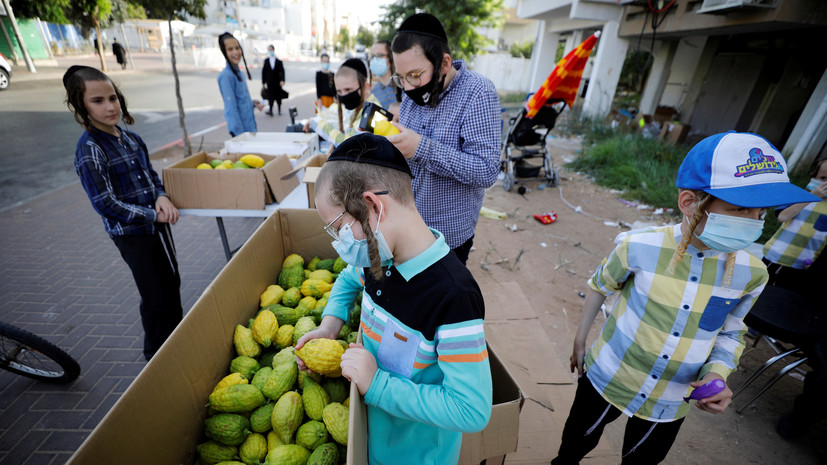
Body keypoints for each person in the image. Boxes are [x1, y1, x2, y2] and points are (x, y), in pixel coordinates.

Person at [551, 131, 820, 465]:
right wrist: (580, 340)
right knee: (572, 447)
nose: (753, 223)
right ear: (690, 203)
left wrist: (717, 375)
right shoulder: (639, 245)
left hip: (670, 399)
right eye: (739, 210)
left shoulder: (752, 273)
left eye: (760, 213)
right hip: (609, 374)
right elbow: (599, 285)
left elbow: (730, 332)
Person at [295, 133, 492, 465]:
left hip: (415, 455)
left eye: (338, 228)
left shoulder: (453, 298)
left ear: (372, 206)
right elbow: (346, 280)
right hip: (373, 438)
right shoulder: (378, 259)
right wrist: (330, 325)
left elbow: (470, 410)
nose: (338, 243)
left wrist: (376, 385)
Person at [63, 65, 184, 362]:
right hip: (132, 236)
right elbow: (106, 204)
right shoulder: (90, 150)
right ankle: (155, 357)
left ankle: (178, 342)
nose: (109, 106)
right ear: (80, 106)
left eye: (113, 98)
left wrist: (161, 195)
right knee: (154, 296)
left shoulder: (131, 139)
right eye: (98, 101)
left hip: (154, 226)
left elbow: (150, 176)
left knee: (171, 285)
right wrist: (150, 214)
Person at [388, 13, 501, 265]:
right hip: (407, 225)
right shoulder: (410, 92)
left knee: (438, 303)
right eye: (401, 77)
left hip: (446, 237)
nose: (407, 87)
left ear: (444, 63)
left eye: (415, 75)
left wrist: (421, 148)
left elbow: (486, 170)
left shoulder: (478, 93)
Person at [761, 157, 827, 302]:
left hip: (803, 264)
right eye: (822, 178)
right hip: (776, 254)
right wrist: (811, 196)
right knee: (760, 290)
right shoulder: (800, 196)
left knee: (784, 298)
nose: (825, 184)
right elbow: (783, 217)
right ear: (813, 177)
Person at [307, 58, 380, 147]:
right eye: (339, 92)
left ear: (365, 87)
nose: (344, 95)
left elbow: (348, 144)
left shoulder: (373, 111)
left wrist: (317, 122)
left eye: (348, 89)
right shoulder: (360, 106)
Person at [217, 32, 263, 137]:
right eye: (230, 49)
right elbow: (231, 109)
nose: (235, 52)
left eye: (237, 48)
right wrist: (241, 137)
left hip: (250, 129)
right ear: (224, 52)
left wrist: (252, 104)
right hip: (242, 134)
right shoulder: (226, 76)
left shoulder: (238, 73)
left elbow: (240, 101)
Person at [369, 40, 400, 111]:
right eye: (373, 56)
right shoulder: (374, 93)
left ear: (390, 57)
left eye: (380, 55)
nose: (375, 59)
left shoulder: (403, 85)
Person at [261, 44, 286, 116]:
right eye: (269, 50)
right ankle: (271, 110)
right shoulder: (266, 61)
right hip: (270, 82)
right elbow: (264, 72)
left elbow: (282, 71)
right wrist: (263, 82)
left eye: (271, 50)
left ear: (273, 50)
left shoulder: (278, 61)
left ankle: (279, 109)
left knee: (278, 96)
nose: (270, 51)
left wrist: (282, 80)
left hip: (277, 82)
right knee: (270, 96)